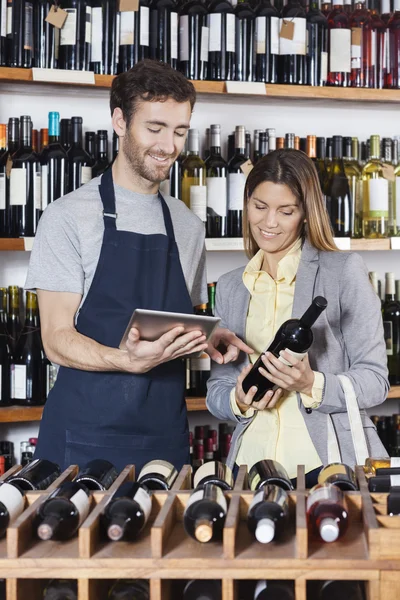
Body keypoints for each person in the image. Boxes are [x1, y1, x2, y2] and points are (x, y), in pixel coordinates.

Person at [25, 59, 250, 472]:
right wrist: (124, 360)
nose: (169, 145)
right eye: (155, 128)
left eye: (180, 131)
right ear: (119, 121)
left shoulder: (186, 225)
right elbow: (55, 339)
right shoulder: (67, 217)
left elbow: (174, 320)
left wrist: (210, 335)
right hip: (81, 438)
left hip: (163, 436)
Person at [206, 149, 389, 487]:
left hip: (329, 466)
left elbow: (376, 381)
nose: (269, 222)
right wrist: (238, 399)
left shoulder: (342, 272)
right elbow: (217, 387)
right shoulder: (232, 286)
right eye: (260, 207)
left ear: (306, 213)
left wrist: (310, 384)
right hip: (251, 468)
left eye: (285, 211)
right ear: (246, 204)